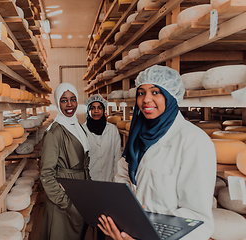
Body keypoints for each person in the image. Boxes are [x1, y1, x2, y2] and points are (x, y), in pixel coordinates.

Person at [98, 65, 216, 240]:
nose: (146, 99)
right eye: (141, 93)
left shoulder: (193, 141)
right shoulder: (137, 137)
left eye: (155, 92)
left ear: (170, 96)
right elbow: (122, 179)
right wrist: (122, 221)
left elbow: (197, 220)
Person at [39, 83, 91, 240]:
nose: (69, 104)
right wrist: (67, 203)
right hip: (64, 197)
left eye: (73, 99)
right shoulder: (54, 133)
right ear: (57, 102)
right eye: (64, 100)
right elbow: (47, 174)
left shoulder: (78, 126)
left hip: (79, 191)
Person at [82, 94, 122, 240]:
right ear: (88, 110)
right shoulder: (82, 130)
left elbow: (116, 158)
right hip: (88, 181)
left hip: (107, 181)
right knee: (85, 217)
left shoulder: (112, 130)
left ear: (104, 110)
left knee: (103, 219)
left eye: (99, 108)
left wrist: (115, 183)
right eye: (93, 108)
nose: (96, 111)